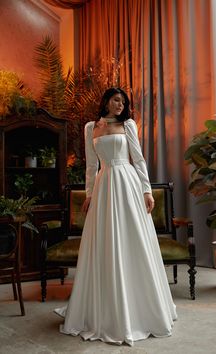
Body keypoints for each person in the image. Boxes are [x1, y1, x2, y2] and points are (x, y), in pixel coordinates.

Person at [54, 87, 177, 346]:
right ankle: (105, 307)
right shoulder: (91, 128)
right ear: (106, 101)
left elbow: (138, 159)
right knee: (106, 242)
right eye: (116, 99)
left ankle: (141, 307)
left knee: (133, 240)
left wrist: (147, 190)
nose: (120, 104)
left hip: (127, 183)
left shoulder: (129, 125)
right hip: (104, 185)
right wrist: (89, 194)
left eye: (123, 101)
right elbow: (91, 165)